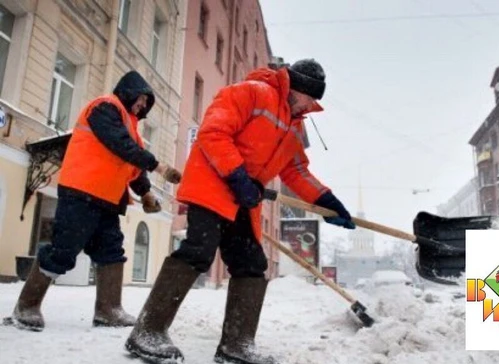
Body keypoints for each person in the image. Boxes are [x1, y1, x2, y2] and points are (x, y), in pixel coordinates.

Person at [125, 59, 355, 364]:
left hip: (243, 199)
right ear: (297, 88)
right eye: (310, 98)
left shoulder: (295, 125)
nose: (312, 105)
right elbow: (213, 133)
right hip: (212, 186)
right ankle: (147, 331)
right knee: (198, 251)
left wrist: (327, 200)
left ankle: (237, 344)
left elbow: (296, 170)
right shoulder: (250, 93)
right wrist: (237, 176)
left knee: (251, 264)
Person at [4, 71, 181, 332]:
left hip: (108, 199)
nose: (143, 106)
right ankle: (26, 307)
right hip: (81, 191)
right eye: (141, 99)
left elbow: (133, 166)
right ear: (129, 91)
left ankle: (109, 310)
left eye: (146, 103)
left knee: (111, 252)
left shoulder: (132, 129)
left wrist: (145, 193)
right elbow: (119, 145)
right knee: (63, 250)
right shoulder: (105, 107)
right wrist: (159, 166)